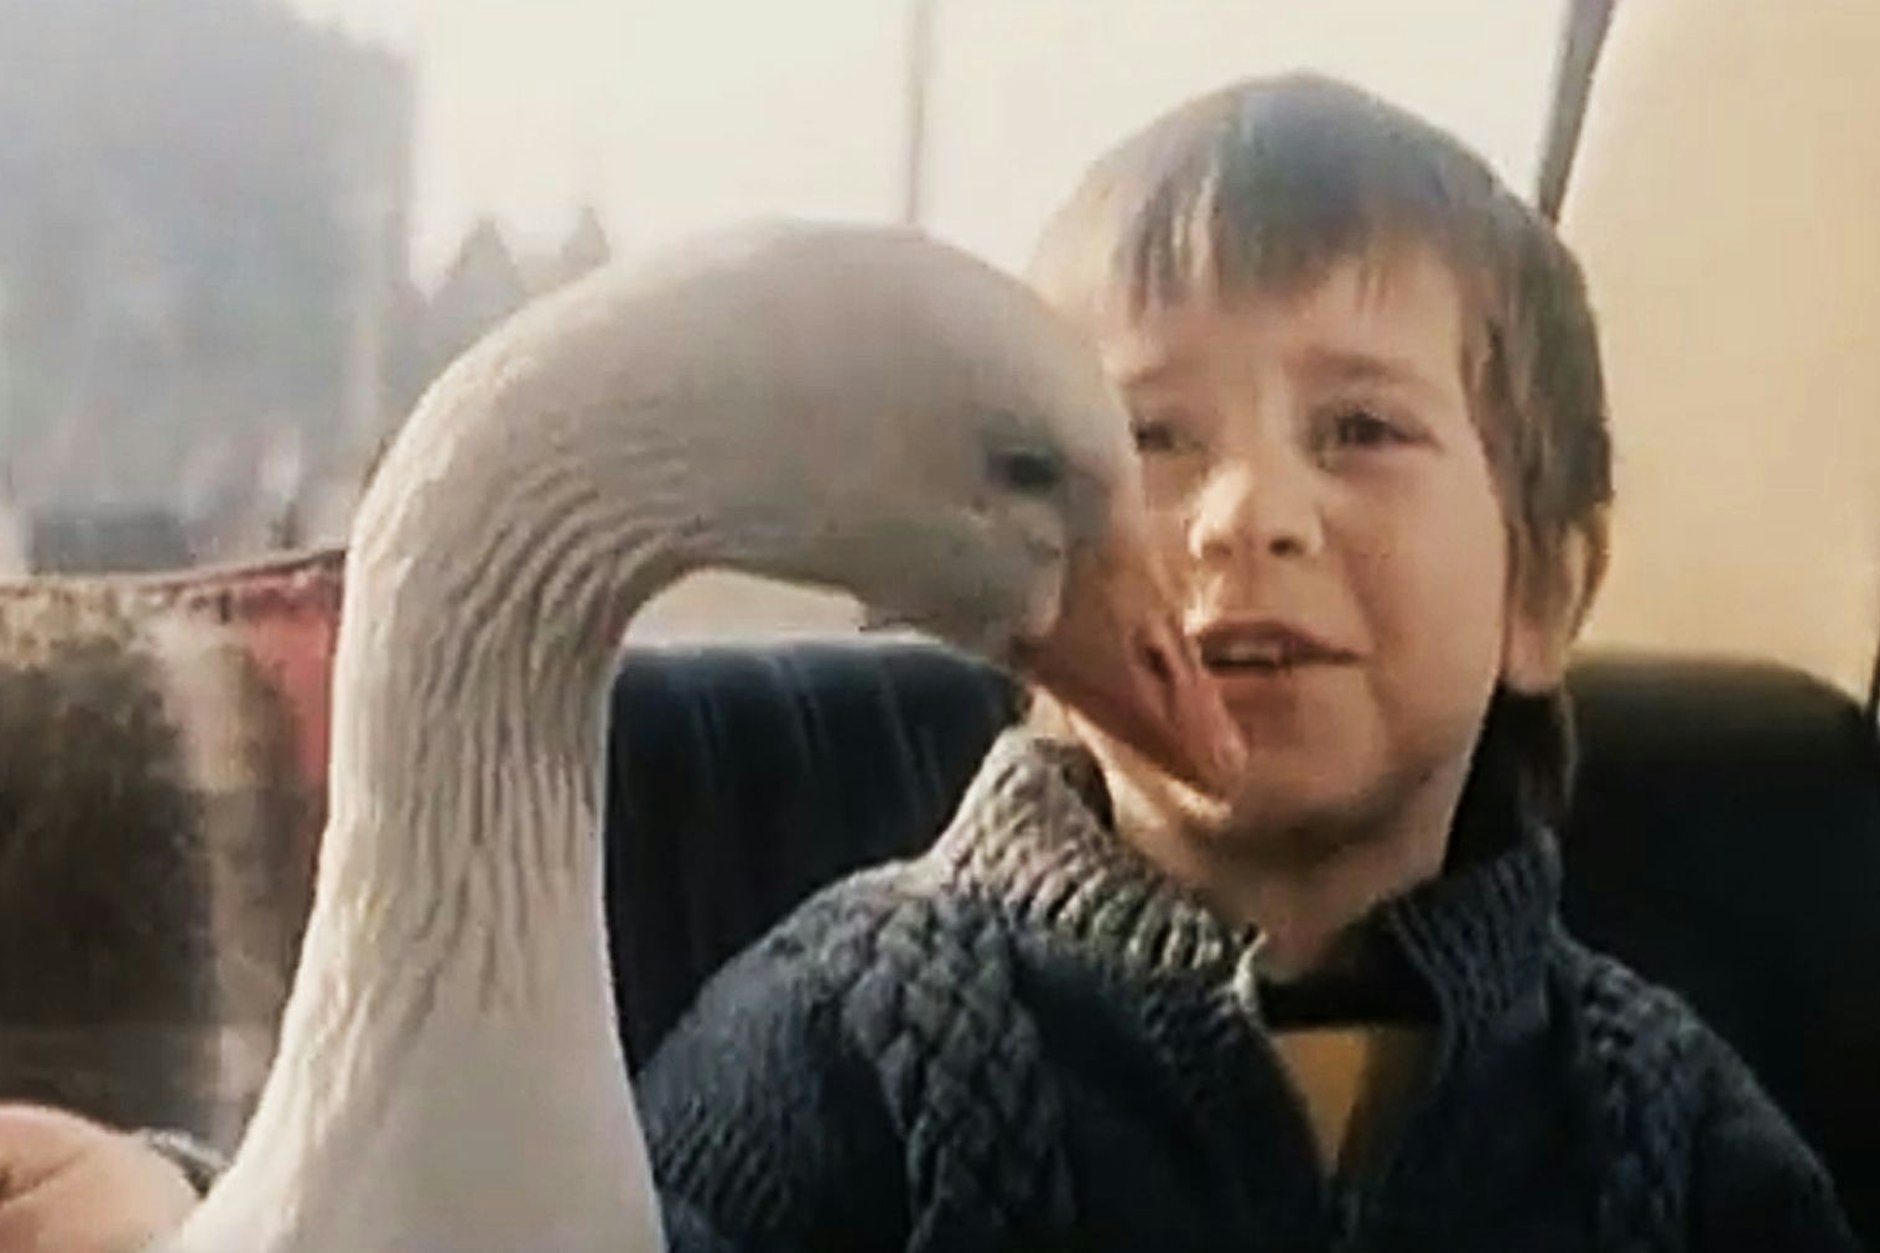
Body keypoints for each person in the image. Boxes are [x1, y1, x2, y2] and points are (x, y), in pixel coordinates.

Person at [0, 74, 1857, 1251]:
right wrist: (197, 1214)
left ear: (1551, 590)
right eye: (1145, 446)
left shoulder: (1661, 1113)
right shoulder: (857, 1034)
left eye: (1359, 431)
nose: (1233, 521)